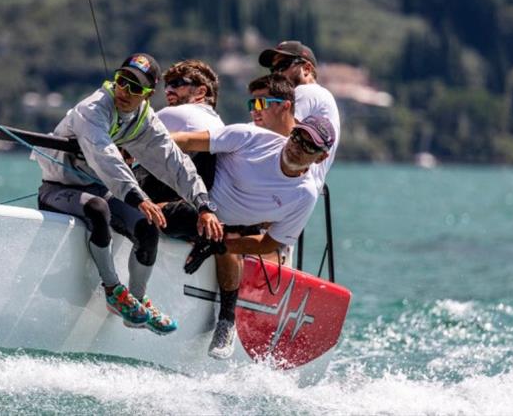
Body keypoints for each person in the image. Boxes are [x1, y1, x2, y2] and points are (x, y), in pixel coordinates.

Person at [36, 53, 223, 336]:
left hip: (99, 188)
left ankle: (136, 303)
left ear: (147, 95)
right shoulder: (94, 109)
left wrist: (203, 204)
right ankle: (113, 290)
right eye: (123, 81)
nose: (125, 91)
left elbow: (175, 164)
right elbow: (105, 156)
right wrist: (139, 198)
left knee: (149, 226)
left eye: (136, 88)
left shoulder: (143, 120)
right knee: (99, 209)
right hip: (59, 189)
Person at [168, 112, 336, 358]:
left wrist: (221, 247)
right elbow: (185, 140)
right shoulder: (252, 138)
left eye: (309, 146)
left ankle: (226, 320)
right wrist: (127, 148)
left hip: (229, 226)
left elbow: (271, 243)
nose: (298, 147)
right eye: (298, 137)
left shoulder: (304, 194)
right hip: (194, 195)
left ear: (321, 157)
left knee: (226, 239)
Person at [135, 59, 224, 202]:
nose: (168, 90)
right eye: (167, 85)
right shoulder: (218, 122)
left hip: (176, 198)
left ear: (201, 92)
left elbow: (127, 137)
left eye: (177, 84)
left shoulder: (178, 113)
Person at [259, 41, 340, 189]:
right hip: (297, 187)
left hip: (287, 183)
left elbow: (274, 134)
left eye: (282, 67)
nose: (277, 75)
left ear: (307, 69)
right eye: (273, 71)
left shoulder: (307, 91)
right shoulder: (322, 96)